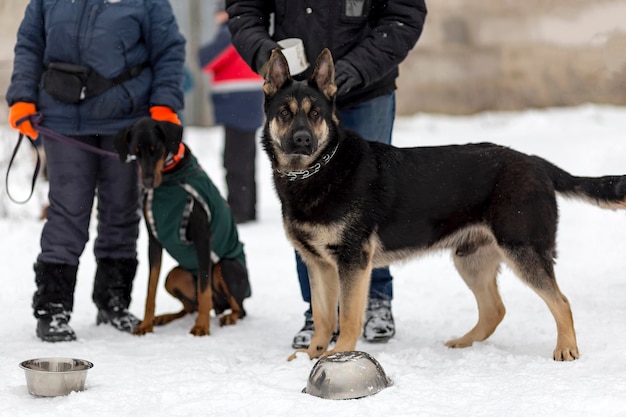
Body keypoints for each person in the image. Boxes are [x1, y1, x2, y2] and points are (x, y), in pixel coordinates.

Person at [226, 0, 427, 348]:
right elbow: (244, 9)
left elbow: (404, 14)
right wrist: (264, 51)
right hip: (291, 92)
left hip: (366, 87)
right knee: (305, 201)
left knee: (372, 204)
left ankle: (376, 300)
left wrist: (357, 67)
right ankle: (318, 311)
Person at [6, 0, 186, 342]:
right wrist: (22, 97)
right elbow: (30, 43)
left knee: (120, 210)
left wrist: (165, 104)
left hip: (126, 122)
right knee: (68, 211)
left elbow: (168, 49)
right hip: (62, 120)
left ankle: (113, 301)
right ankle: (53, 307)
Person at [198, 5, 264, 224]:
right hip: (247, 103)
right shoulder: (248, 31)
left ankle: (239, 209)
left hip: (238, 105)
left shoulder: (229, 33)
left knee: (235, 159)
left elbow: (205, 59)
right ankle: (249, 206)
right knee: (246, 157)